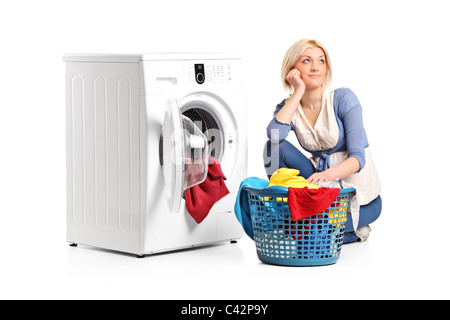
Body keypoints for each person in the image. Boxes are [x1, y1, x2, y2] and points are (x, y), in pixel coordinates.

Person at [264, 39, 382, 244]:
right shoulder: (289, 106)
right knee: (273, 149)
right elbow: (274, 137)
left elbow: (357, 159)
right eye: (306, 61)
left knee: (316, 230)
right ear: (292, 69)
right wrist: (298, 92)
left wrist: (325, 175)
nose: (315, 67)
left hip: (359, 198)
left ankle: (330, 228)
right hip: (320, 189)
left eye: (321, 61)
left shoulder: (343, 98)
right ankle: (294, 210)